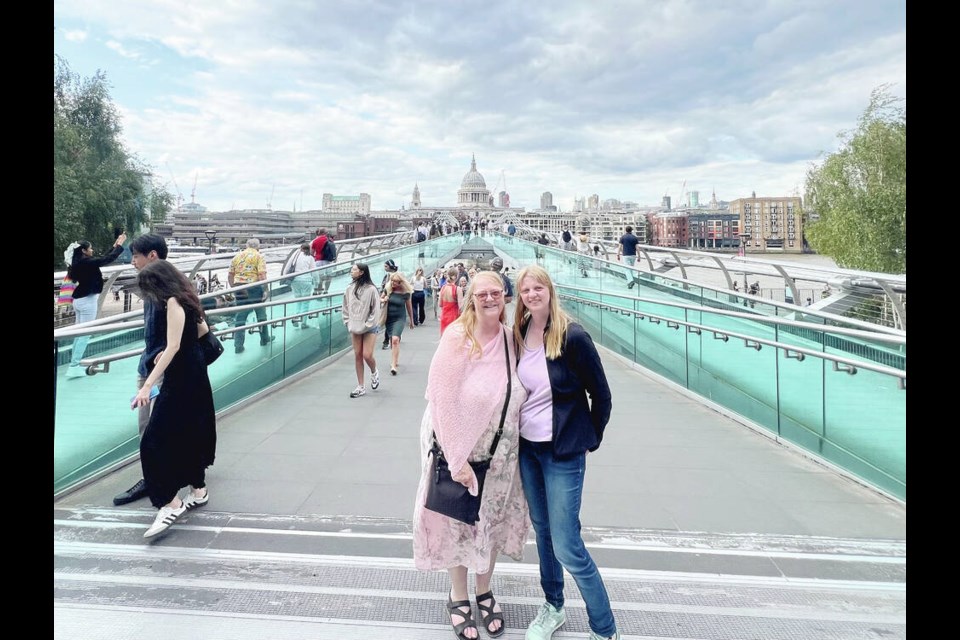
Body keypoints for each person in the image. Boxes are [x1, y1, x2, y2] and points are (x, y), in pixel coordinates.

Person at [413, 270, 530, 640]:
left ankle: (484, 590)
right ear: (471, 299)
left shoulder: (512, 340)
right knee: (458, 523)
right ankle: (459, 595)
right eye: (482, 294)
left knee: (490, 525)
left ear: (506, 297)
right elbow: (442, 399)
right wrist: (457, 460)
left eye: (496, 292)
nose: (490, 299)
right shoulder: (458, 337)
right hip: (461, 454)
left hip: (501, 457)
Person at [512, 265, 619, 640]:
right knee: (543, 532)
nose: (532, 294)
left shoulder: (572, 336)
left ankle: (605, 629)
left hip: (563, 454)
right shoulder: (521, 332)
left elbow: (601, 395)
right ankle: (553, 606)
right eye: (525, 290)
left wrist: (588, 437)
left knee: (568, 544)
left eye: (537, 287)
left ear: (549, 289)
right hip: (529, 450)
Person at [133, 259, 217, 539]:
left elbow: (172, 348)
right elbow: (202, 331)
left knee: (153, 440)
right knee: (191, 430)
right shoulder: (188, 297)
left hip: (180, 377)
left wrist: (146, 386)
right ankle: (198, 489)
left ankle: (170, 502)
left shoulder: (172, 302)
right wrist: (178, 347)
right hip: (195, 371)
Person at [112, 234, 168, 507]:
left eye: (136, 256)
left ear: (153, 255)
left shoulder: (169, 286)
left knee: (156, 426)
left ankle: (162, 478)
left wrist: (165, 352)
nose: (133, 261)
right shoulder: (150, 284)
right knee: (146, 425)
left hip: (162, 368)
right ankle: (154, 476)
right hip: (148, 365)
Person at [64, 233, 128, 378]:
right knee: (84, 334)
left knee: (79, 334)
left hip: (79, 301)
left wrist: (115, 246)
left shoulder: (78, 262)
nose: (92, 250)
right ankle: (74, 365)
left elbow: (101, 259)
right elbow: (107, 259)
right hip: (87, 301)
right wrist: (120, 245)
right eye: (90, 248)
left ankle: (74, 363)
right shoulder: (86, 263)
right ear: (84, 251)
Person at [342, 262, 381, 398]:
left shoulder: (371, 289)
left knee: (367, 355)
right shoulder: (349, 288)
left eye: (354, 270)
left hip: (369, 327)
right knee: (357, 354)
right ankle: (361, 386)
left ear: (361, 272)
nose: (352, 272)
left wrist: (367, 324)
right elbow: (345, 307)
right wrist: (348, 322)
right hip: (355, 326)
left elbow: (376, 310)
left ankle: (374, 371)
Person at [228, 238, 275, 354]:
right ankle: (264, 339)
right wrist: (266, 290)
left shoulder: (237, 256)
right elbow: (262, 275)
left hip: (239, 287)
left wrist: (234, 288)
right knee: (261, 314)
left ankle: (238, 345)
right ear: (258, 246)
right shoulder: (259, 256)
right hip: (254, 287)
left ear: (246, 245)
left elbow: (230, 275)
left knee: (240, 316)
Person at [381, 271, 415, 375]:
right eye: (392, 281)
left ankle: (393, 365)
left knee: (395, 339)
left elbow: (409, 307)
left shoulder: (406, 292)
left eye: (395, 282)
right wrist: (383, 299)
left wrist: (411, 321)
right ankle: (395, 359)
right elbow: (379, 298)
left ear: (401, 282)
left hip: (400, 318)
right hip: (389, 318)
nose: (393, 283)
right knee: (393, 341)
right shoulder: (388, 289)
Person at [288, 242, 317, 328]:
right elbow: (314, 271)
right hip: (306, 281)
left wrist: (285, 277)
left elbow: (287, 266)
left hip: (295, 280)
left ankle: (296, 317)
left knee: (298, 301)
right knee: (305, 302)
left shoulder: (295, 256)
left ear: (300, 248)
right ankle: (303, 322)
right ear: (309, 249)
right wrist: (317, 282)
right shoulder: (310, 258)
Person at [380, 259, 400, 350]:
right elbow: (383, 288)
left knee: (391, 321)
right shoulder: (386, 276)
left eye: (386, 266)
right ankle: (389, 338)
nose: (384, 268)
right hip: (387, 301)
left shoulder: (396, 276)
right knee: (388, 320)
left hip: (394, 301)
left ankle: (387, 340)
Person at [439, 266, 461, 335]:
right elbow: (461, 308)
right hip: (454, 317)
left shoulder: (443, 287)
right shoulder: (457, 289)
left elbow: (440, 304)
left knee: (444, 338)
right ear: (456, 276)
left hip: (444, 316)